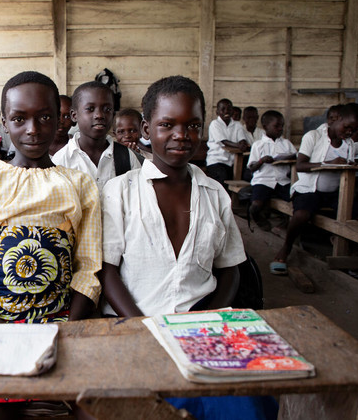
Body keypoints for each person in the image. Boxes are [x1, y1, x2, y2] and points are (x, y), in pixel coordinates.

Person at [99, 75, 274, 420]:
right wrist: (145, 327)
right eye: (168, 124)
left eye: (192, 125)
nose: (182, 134)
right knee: (137, 403)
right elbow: (107, 271)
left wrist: (207, 321)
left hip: (202, 324)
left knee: (247, 405)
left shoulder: (214, 193)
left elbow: (229, 269)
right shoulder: (119, 191)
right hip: (132, 322)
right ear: (147, 129)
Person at [0, 71, 101, 420]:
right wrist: (0, 331)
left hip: (62, 326)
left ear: (61, 120)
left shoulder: (78, 183)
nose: (33, 129)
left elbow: (89, 266)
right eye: (19, 119)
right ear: (4, 122)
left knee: (93, 411)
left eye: (45, 117)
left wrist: (66, 332)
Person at [270, 104, 358, 275]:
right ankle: (286, 248)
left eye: (353, 131)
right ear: (336, 119)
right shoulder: (314, 136)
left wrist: (352, 166)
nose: (348, 133)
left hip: (336, 193)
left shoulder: (349, 144)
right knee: (302, 215)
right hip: (309, 190)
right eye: (346, 127)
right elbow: (300, 165)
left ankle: (355, 254)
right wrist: (328, 164)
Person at [52, 81, 140, 190]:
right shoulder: (61, 161)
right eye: (90, 109)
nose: (99, 115)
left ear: (113, 115)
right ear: (74, 115)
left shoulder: (126, 157)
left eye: (107, 109)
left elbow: (137, 200)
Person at [247, 110, 297, 231]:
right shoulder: (258, 145)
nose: (280, 129)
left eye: (282, 126)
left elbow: (296, 157)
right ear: (265, 127)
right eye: (277, 126)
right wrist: (261, 160)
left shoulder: (286, 143)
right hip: (263, 180)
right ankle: (258, 218)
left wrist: (291, 157)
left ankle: (285, 222)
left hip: (282, 181)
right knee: (256, 205)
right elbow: (252, 168)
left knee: (294, 200)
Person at [206, 98, 249, 189]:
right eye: (223, 109)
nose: (226, 111)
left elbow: (242, 139)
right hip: (216, 161)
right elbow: (224, 141)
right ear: (217, 112)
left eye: (229, 109)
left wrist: (243, 143)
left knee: (245, 176)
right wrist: (239, 145)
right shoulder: (215, 124)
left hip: (233, 162)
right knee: (222, 181)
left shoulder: (237, 125)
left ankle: (238, 201)